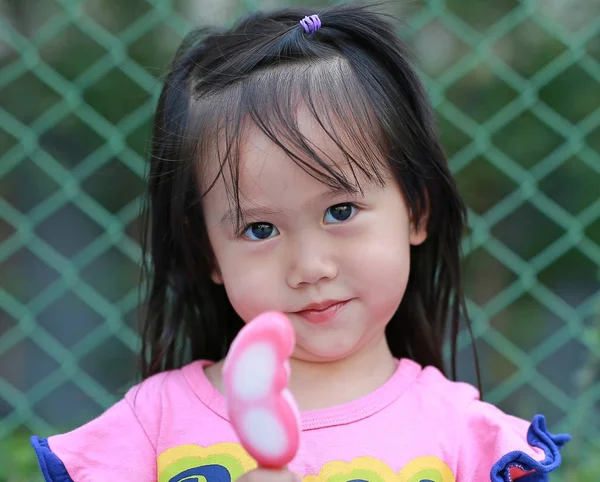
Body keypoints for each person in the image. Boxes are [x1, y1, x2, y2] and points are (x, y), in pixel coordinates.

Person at [30, 3, 571, 481]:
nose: (309, 267)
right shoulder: (150, 427)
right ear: (209, 251)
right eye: (259, 229)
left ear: (416, 209)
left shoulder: (469, 440)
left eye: (341, 211)